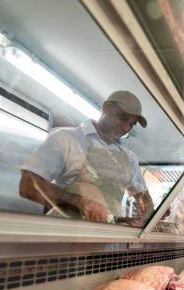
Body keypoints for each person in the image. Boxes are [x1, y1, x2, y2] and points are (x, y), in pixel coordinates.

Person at [19, 90, 154, 225]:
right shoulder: (67, 138)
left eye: (132, 124)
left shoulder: (130, 159)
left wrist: (141, 221)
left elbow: (144, 201)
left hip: (105, 240)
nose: (126, 127)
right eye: (123, 117)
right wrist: (79, 202)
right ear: (105, 107)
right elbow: (27, 185)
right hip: (61, 236)